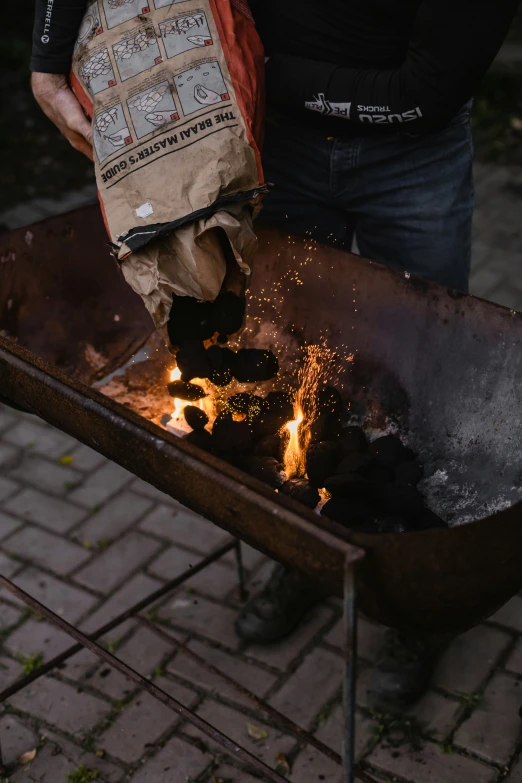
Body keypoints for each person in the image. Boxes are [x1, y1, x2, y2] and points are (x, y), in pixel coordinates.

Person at [31, 0, 520, 712]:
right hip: (276, 143)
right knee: (291, 362)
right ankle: (307, 542)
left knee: (423, 387)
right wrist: (49, 63)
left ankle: (417, 602)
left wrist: (255, 66)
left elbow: (423, 97)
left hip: (414, 154)